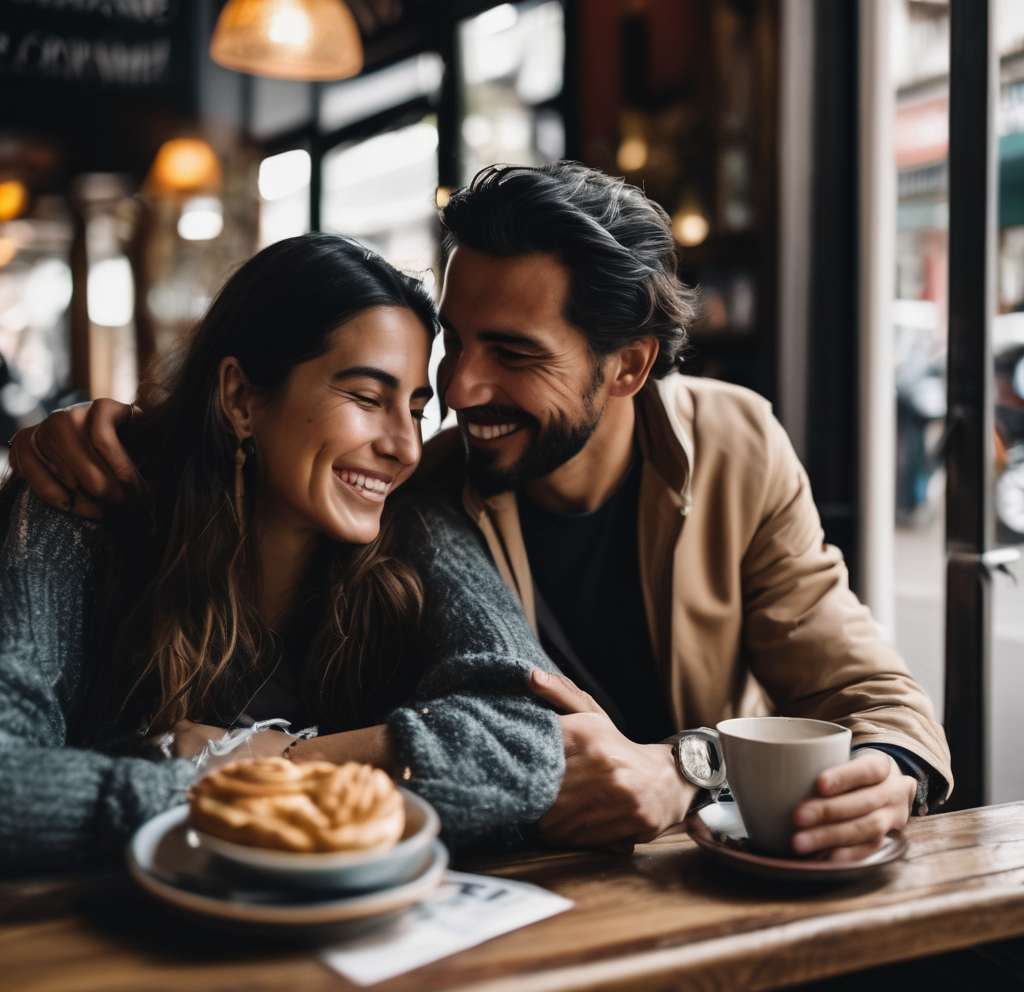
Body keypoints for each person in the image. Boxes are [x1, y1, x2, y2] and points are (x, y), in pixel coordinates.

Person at [12, 163, 952, 862]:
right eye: (454, 346)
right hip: (526, 874)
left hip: (705, 865)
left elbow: (868, 690)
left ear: (627, 366)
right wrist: (122, 432)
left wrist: (834, 772)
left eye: (513, 353)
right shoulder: (420, 490)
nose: (458, 392)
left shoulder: (736, 445)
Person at [0, 233, 565, 873]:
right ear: (241, 398)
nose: (406, 447)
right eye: (366, 398)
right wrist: (218, 792)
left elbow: (527, 739)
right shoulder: (76, 511)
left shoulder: (418, 531)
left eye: (414, 410)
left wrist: (263, 761)